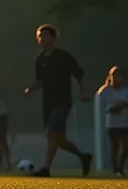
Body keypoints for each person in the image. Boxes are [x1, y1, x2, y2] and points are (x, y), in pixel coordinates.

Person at [22, 24, 92, 177]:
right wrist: (31, 89)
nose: (41, 39)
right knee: (57, 138)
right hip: (48, 103)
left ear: (53, 38)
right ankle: (81, 157)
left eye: (45, 36)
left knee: (52, 133)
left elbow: (79, 74)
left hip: (62, 101)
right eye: (39, 36)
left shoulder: (64, 57)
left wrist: (84, 90)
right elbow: (40, 81)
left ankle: (49, 167)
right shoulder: (40, 59)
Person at [97, 66, 128, 178]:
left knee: (127, 148)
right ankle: (116, 169)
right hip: (112, 124)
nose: (118, 78)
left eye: (120, 76)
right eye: (115, 75)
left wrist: (123, 105)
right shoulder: (105, 91)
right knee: (115, 147)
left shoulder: (127, 91)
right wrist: (113, 108)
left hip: (124, 123)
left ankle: (121, 166)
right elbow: (102, 107)